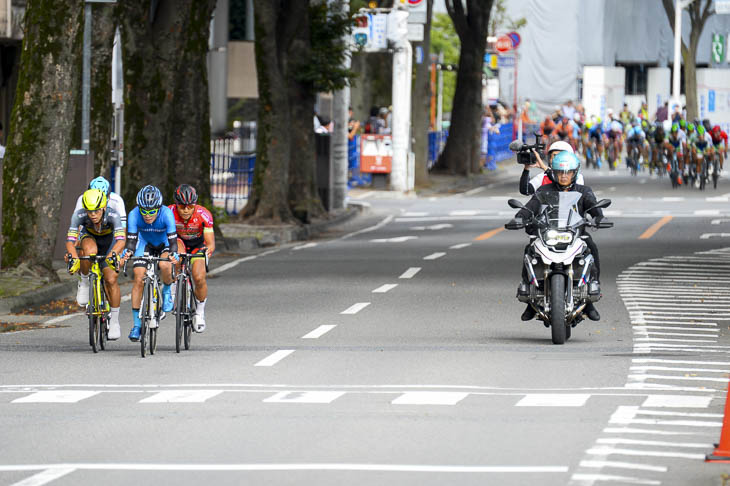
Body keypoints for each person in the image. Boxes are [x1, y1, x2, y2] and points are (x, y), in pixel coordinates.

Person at [510, 151, 604, 322]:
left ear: (575, 172)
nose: (564, 176)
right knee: (529, 250)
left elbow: (594, 208)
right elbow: (530, 207)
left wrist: (599, 218)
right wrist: (518, 218)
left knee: (591, 248)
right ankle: (530, 300)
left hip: (575, 235)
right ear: (554, 172)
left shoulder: (584, 191)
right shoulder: (544, 191)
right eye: (560, 172)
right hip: (549, 233)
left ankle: (590, 298)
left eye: (568, 172)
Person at [65, 189, 126, 340]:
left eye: (96, 211)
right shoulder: (79, 215)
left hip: (109, 243)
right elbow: (70, 241)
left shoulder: (113, 216)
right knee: (87, 252)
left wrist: (113, 255)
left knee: (111, 280)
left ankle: (115, 321)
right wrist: (73, 257)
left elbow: (121, 240)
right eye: (89, 211)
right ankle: (85, 283)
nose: (92, 215)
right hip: (90, 238)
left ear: (104, 207)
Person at [120, 185, 178, 342]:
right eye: (143, 211)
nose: (147, 215)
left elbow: (173, 242)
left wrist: (173, 255)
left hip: (164, 242)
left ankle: (166, 292)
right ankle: (137, 325)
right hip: (144, 243)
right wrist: (127, 254)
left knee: (165, 265)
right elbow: (131, 241)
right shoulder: (133, 214)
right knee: (138, 279)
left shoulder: (167, 214)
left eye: (151, 211)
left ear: (158, 208)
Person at [169, 184, 215, 332]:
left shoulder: (204, 214)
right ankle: (175, 289)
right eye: (182, 207)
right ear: (176, 204)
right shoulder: (169, 212)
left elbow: (210, 243)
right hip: (179, 241)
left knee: (199, 277)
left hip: (198, 245)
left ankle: (200, 312)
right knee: (178, 255)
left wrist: (207, 252)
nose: (186, 210)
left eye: (190, 206)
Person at [519, 140, 584, 196]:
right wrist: (526, 169)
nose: (557, 159)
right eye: (554, 156)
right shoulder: (543, 176)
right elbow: (526, 191)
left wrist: (545, 168)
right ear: (549, 158)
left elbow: (563, 187)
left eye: (561, 156)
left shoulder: (577, 177)